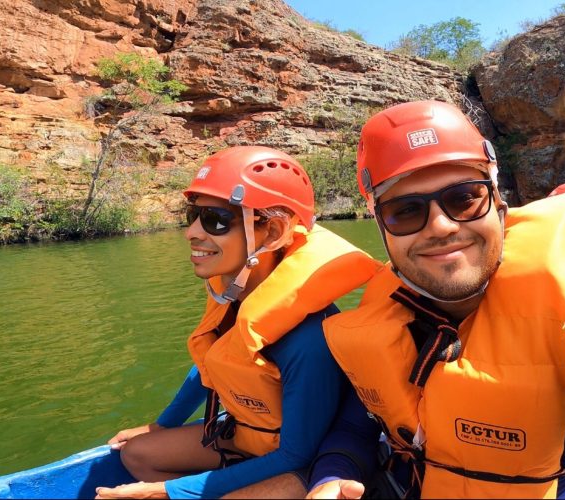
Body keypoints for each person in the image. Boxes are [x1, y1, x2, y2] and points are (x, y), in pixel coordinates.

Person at [306, 100, 565, 498]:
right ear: (380, 225)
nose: (441, 226)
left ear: (498, 201)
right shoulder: (389, 316)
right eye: (406, 211)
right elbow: (355, 427)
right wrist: (332, 476)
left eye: (464, 197)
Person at [93, 146, 380, 499]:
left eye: (214, 219)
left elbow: (297, 452)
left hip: (300, 459)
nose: (192, 233)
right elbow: (211, 363)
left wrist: (169, 490)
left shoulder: (309, 339)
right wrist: (162, 424)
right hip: (245, 434)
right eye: (192, 215)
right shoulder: (231, 296)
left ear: (273, 233)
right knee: (139, 454)